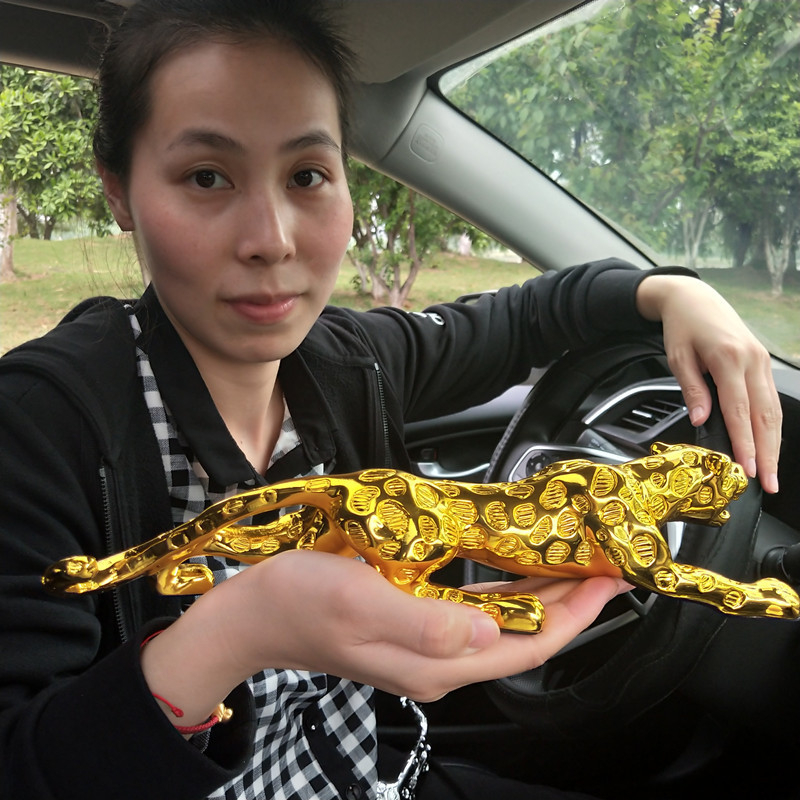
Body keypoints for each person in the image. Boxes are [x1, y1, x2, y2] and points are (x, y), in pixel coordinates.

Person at [0, 1, 782, 798]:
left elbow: (527, 317)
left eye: (307, 175)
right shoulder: (39, 426)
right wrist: (236, 633)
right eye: (207, 177)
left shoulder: (351, 361)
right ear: (120, 191)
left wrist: (674, 292)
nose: (271, 238)